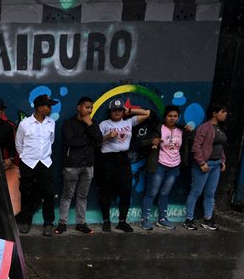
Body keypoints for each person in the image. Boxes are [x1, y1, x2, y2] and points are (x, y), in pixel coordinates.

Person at [97, 99, 150, 232]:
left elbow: (147, 114)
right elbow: (96, 142)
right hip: (107, 159)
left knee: (126, 190)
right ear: (110, 112)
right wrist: (108, 136)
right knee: (106, 190)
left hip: (123, 159)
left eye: (119, 110)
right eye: (114, 110)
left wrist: (130, 111)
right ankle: (106, 221)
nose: (117, 112)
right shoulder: (104, 124)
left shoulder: (128, 121)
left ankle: (122, 221)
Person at [54, 96, 102, 235]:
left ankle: (81, 223)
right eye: (87, 107)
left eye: (91, 108)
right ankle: (62, 223)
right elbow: (70, 142)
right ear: (79, 107)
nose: (89, 110)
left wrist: (89, 124)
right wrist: (89, 140)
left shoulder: (92, 123)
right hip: (71, 165)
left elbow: (98, 139)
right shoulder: (68, 123)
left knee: (82, 196)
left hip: (88, 165)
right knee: (67, 195)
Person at [140, 105, 190, 231]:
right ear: (165, 117)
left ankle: (162, 219)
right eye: (170, 116)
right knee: (152, 192)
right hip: (159, 165)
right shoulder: (158, 128)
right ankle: (144, 219)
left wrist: (190, 131)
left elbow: (185, 147)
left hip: (174, 166)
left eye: (175, 116)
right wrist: (152, 141)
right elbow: (142, 143)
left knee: (164, 193)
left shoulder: (181, 131)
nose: (172, 118)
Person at [15, 94, 57, 237]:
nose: (50, 109)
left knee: (49, 193)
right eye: (48, 106)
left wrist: (42, 155)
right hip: (28, 163)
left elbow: (51, 141)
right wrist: (25, 156)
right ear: (39, 108)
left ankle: (48, 223)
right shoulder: (25, 124)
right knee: (26, 193)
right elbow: (19, 144)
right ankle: (26, 221)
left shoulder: (51, 123)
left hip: (45, 163)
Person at [184, 104, 228, 231]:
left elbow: (220, 146)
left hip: (216, 164)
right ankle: (189, 220)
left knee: (210, 194)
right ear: (214, 113)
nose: (225, 114)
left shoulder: (219, 128)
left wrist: (222, 161)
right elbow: (196, 147)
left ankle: (207, 220)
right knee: (196, 192)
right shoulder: (204, 127)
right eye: (223, 111)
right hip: (204, 164)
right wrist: (202, 163)